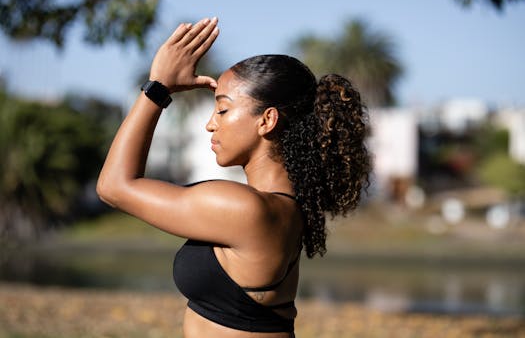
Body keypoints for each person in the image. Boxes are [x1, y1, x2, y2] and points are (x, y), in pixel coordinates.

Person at [97, 17, 371, 337]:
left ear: (267, 120)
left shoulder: (245, 209)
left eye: (223, 110)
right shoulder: (286, 206)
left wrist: (158, 87)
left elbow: (114, 187)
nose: (211, 124)